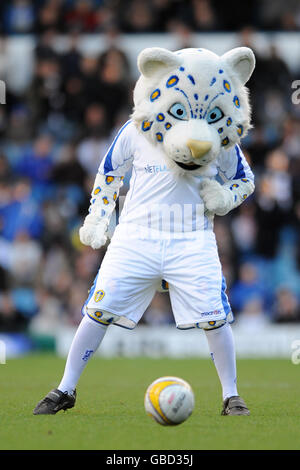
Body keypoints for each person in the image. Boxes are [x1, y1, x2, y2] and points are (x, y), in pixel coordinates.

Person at [33, 45, 256, 416]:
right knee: (97, 311)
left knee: (215, 316)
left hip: (191, 237)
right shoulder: (138, 128)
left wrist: (224, 197)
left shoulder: (219, 137)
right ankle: (65, 389)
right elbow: (109, 173)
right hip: (136, 236)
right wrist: (98, 217)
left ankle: (231, 395)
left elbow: (244, 181)